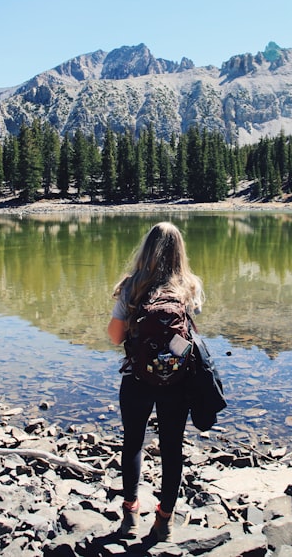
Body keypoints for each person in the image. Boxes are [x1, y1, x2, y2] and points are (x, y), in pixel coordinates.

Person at [107, 221, 204, 541]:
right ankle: (164, 521)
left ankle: (130, 516)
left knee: (133, 442)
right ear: (180, 252)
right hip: (176, 382)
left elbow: (114, 336)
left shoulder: (132, 285)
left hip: (137, 377)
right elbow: (191, 328)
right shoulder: (189, 286)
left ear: (146, 249)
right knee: (172, 448)